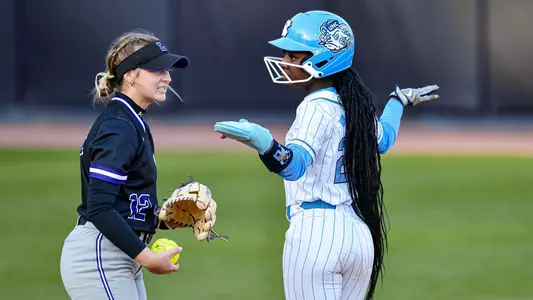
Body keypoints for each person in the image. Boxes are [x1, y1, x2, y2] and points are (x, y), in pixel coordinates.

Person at [214, 10, 439, 300]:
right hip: (358, 235)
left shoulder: (314, 107)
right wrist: (397, 100)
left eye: (293, 56)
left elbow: (293, 165)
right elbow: (384, 139)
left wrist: (264, 143)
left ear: (321, 60)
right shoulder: (352, 105)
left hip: (315, 234)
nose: (284, 62)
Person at [60, 29, 190, 300]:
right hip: (101, 256)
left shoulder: (131, 120)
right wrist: (149, 259)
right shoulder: (120, 126)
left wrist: (163, 219)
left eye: (167, 70)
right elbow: (99, 207)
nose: (167, 77)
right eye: (157, 70)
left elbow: (123, 202)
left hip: (120, 254)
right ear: (130, 75)